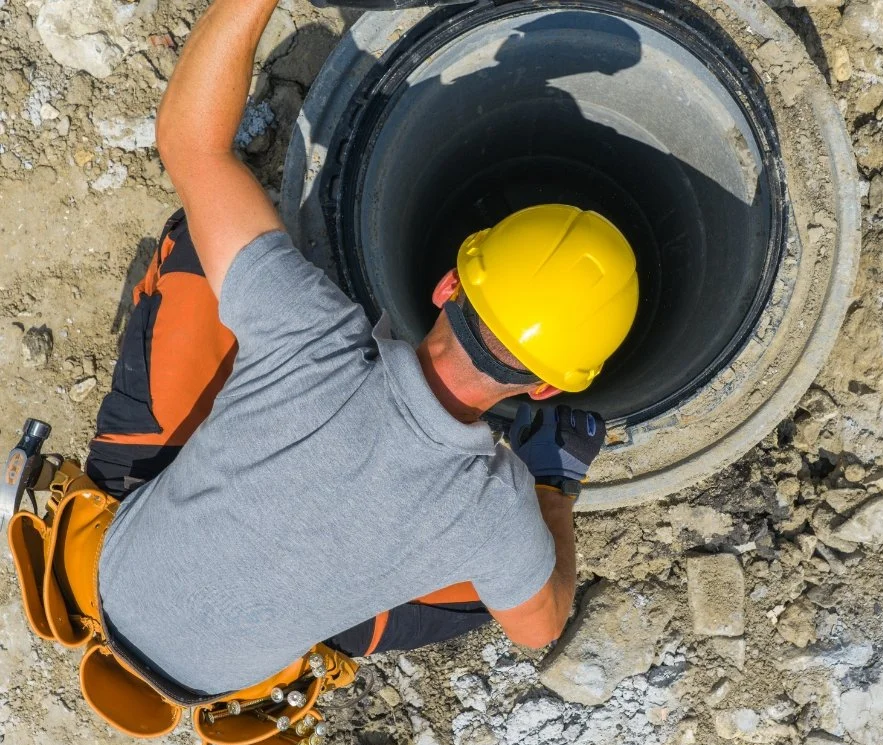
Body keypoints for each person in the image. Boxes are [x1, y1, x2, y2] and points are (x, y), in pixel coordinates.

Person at [83, 0, 640, 700]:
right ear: (547, 387)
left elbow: (189, 144)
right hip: (225, 677)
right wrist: (552, 490)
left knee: (205, 232)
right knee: (507, 588)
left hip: (119, 565)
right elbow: (540, 629)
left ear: (445, 286)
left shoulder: (308, 334)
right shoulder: (494, 514)